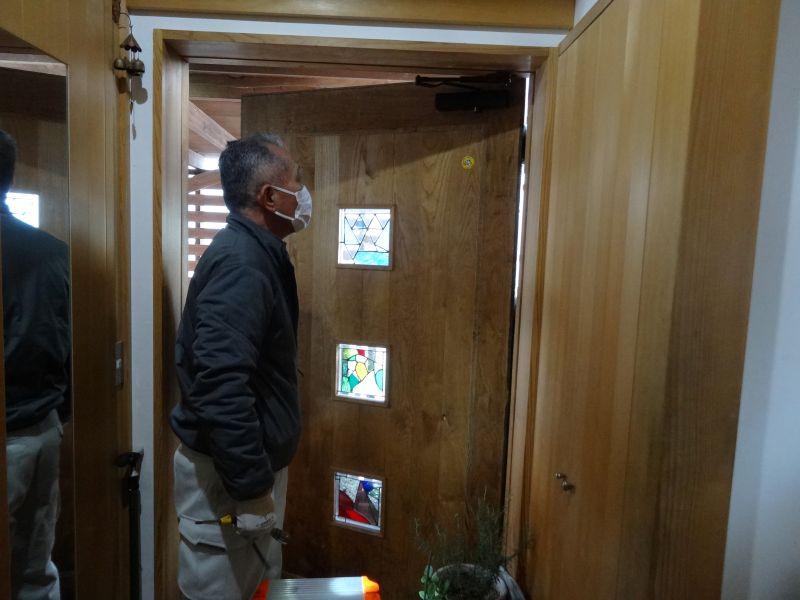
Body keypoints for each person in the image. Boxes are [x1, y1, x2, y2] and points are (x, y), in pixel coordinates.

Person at [170, 133, 310, 600]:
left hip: (243, 472)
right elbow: (220, 385)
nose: (303, 193)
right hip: (229, 480)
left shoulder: (259, 253)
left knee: (256, 586)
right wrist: (250, 487)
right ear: (270, 197)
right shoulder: (242, 264)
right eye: (297, 182)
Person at [1, 129, 71, 600]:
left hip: (12, 432)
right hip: (43, 427)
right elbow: (66, 344)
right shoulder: (52, 252)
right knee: (34, 565)